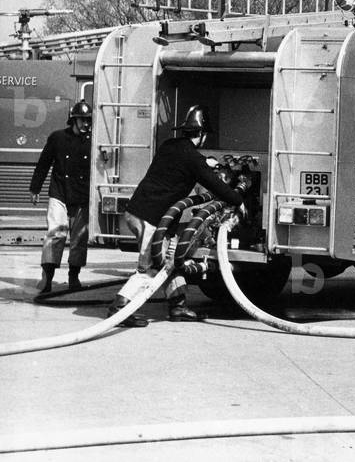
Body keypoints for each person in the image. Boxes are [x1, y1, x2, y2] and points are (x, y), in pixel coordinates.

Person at [107, 105, 247, 327]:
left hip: (137, 212)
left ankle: (178, 305)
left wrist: (205, 163)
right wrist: (238, 200)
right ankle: (120, 308)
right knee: (152, 266)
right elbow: (215, 185)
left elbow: (185, 164)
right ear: (201, 134)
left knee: (169, 261)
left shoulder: (169, 146)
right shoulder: (193, 159)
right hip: (151, 217)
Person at [29, 100, 93, 293]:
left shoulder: (93, 141)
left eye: (88, 121)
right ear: (73, 120)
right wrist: (35, 189)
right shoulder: (57, 138)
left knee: (79, 238)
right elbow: (43, 164)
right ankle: (47, 276)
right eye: (82, 120)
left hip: (82, 195)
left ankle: (74, 276)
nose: (86, 124)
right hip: (59, 192)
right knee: (55, 234)